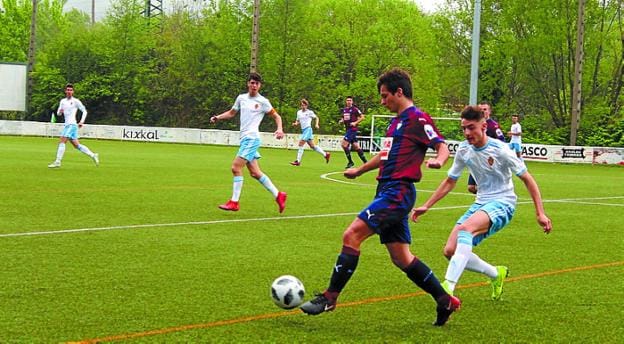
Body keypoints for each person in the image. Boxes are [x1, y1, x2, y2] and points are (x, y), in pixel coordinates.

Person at [300, 68, 461, 326]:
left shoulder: (418, 118)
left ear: (399, 92)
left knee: (351, 235)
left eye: (385, 96)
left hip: (398, 191)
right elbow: (384, 156)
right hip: (385, 189)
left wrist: (439, 162)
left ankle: (330, 297)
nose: (382, 101)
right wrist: (360, 170)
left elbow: (441, 145)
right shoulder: (394, 122)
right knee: (401, 257)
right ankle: (444, 300)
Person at [411, 105, 552, 301]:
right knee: (450, 251)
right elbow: (450, 181)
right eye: (464, 129)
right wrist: (427, 205)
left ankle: (448, 286)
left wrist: (540, 213)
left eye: (471, 127)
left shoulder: (502, 150)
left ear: (484, 126)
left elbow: (528, 179)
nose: (467, 133)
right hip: (481, 203)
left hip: (504, 203)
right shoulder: (463, 150)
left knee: (466, 230)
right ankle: (496, 274)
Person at [210, 72, 287, 213]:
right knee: (255, 173)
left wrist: (280, 129)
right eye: (252, 82)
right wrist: (218, 117)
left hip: (252, 139)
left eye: (257, 83)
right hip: (245, 139)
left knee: (235, 168)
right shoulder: (241, 98)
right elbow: (232, 113)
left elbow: (277, 116)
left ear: (260, 86)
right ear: (248, 83)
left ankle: (234, 202)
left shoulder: (263, 101)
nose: (254, 85)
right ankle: (278, 195)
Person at [48, 84, 99, 168]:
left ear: (73, 91)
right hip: (67, 125)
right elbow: (58, 113)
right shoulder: (63, 101)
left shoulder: (76, 101)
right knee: (77, 145)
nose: (69, 91)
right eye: (68, 90)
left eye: (70, 90)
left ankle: (58, 161)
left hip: (72, 125)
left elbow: (84, 111)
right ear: (65, 91)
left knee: (62, 141)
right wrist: (60, 112)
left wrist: (81, 121)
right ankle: (93, 155)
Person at [466, 102, 506, 193]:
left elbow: (502, 141)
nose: (483, 111)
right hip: (476, 159)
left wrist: (495, 155)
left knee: (485, 184)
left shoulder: (493, 125)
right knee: (471, 187)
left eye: (485, 109)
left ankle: (488, 198)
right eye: (481, 110)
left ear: (489, 111)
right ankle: (486, 196)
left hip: (488, 160)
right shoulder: (475, 124)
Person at [290, 99, 330, 166]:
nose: (303, 106)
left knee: (301, 143)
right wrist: (295, 123)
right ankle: (325, 154)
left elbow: (316, 117)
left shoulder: (309, 112)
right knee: (312, 146)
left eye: (304, 105)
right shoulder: (299, 112)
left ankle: (298, 161)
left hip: (308, 129)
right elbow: (298, 121)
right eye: (302, 105)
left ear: (306, 106)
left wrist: (316, 124)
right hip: (304, 131)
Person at [339, 96, 368, 169]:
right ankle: (366, 162)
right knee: (356, 147)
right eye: (347, 100)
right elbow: (344, 118)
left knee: (344, 145)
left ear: (352, 102)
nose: (348, 102)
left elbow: (362, 117)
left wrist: (355, 122)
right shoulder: (345, 110)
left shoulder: (355, 109)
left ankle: (350, 162)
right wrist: (341, 121)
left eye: (350, 100)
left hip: (352, 129)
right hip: (348, 129)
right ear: (346, 102)